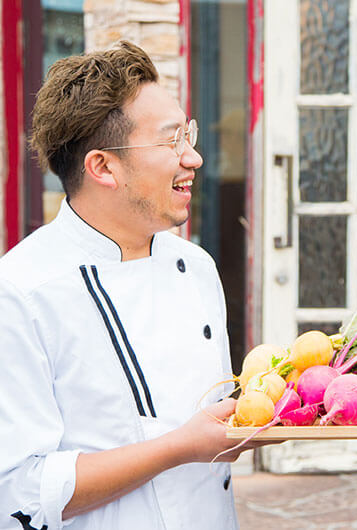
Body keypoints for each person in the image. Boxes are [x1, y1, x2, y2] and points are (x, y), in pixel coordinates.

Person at [0, 41, 264, 529]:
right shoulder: (21, 293)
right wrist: (181, 447)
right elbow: (21, 491)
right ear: (102, 167)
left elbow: (215, 434)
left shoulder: (198, 267)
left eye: (189, 133)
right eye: (171, 142)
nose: (195, 157)